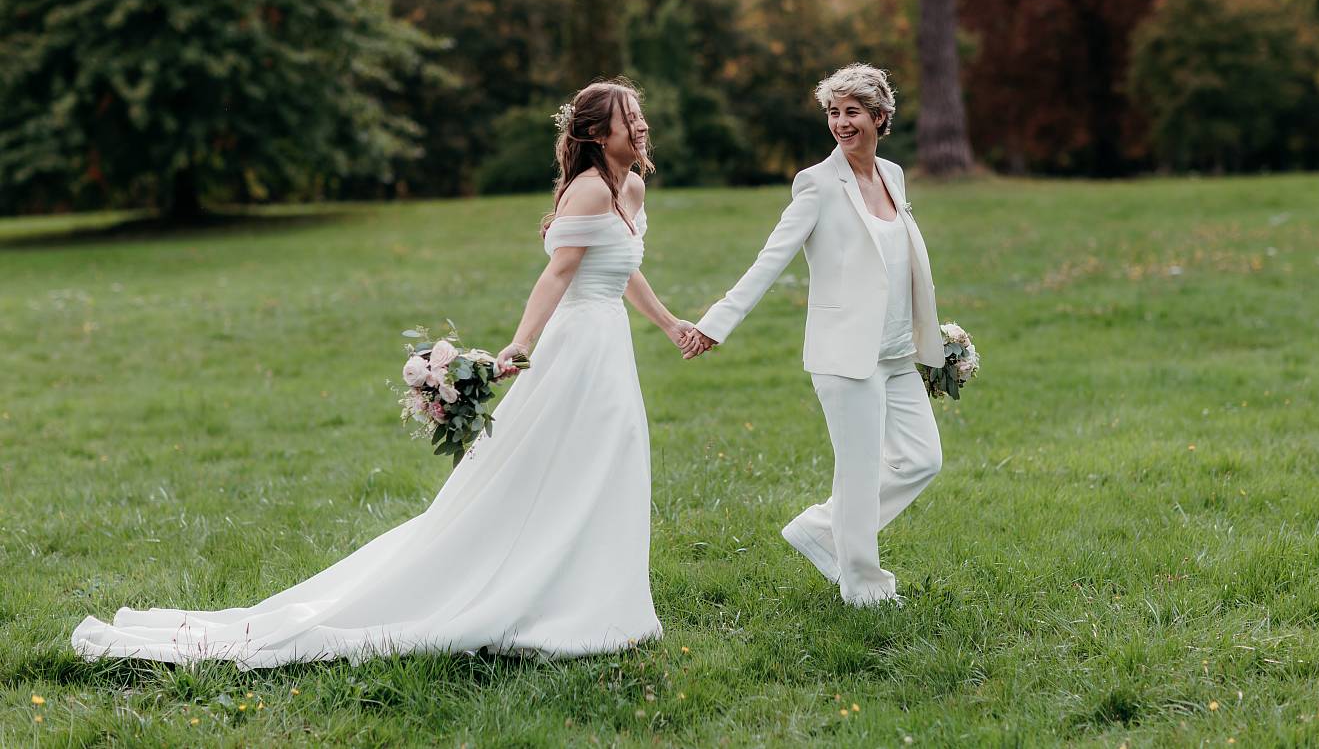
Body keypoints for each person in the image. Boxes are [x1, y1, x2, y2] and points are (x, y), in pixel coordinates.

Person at [72, 79, 693, 667]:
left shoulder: (630, 188)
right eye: (627, 119)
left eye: (639, 118)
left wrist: (669, 325)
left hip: (608, 344)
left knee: (610, 457)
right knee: (562, 465)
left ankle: (598, 599)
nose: (640, 127)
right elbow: (559, 274)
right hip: (574, 348)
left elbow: (620, 266)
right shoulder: (586, 188)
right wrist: (518, 345)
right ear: (594, 131)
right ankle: (551, 600)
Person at [681, 64, 943, 607]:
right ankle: (864, 586)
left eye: (852, 112)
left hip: (896, 351)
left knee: (922, 460)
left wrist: (930, 330)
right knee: (860, 469)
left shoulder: (893, 176)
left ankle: (821, 529)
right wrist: (715, 323)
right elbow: (770, 259)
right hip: (845, 354)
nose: (841, 123)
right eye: (833, 112)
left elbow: (898, 263)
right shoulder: (817, 184)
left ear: (880, 116)